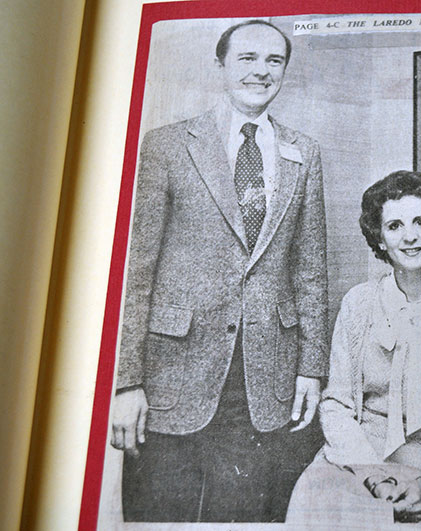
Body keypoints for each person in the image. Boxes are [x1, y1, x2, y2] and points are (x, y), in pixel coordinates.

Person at [110, 20, 328, 522]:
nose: (261, 71)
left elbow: (310, 271)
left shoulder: (304, 152)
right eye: (248, 58)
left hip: (263, 379)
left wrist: (311, 369)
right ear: (221, 66)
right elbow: (134, 270)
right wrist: (126, 382)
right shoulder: (166, 146)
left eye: (274, 61)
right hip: (172, 374)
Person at [286, 171, 421, 525]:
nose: (410, 236)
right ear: (380, 239)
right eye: (394, 226)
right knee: (317, 505)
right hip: (358, 459)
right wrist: (373, 475)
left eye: (420, 222)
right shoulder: (358, 303)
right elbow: (337, 404)